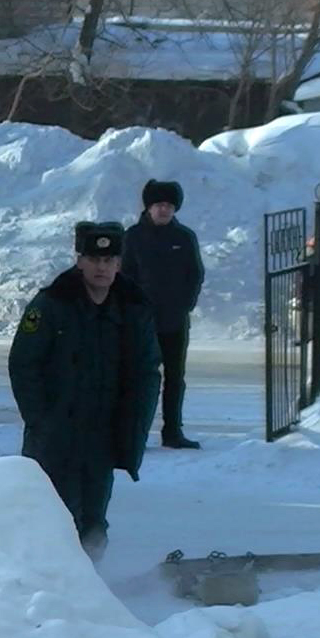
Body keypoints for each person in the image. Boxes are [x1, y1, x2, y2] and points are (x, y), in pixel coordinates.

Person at [8, 221, 162, 557]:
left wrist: (136, 422)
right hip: (56, 434)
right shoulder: (51, 304)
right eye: (93, 259)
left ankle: (90, 586)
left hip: (103, 435)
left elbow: (148, 371)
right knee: (54, 517)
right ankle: (50, 587)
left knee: (94, 522)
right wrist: (40, 420)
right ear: (79, 261)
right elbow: (23, 363)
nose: (101, 267)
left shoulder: (133, 308)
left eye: (109, 260)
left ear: (119, 264)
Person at [122, 179, 206, 449]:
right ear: (149, 207)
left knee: (174, 378)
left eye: (169, 206)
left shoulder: (184, 238)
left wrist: (186, 304)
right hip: (142, 322)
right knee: (140, 378)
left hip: (175, 320)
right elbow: (124, 276)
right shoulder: (133, 237)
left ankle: (173, 432)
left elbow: (195, 274)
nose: (164, 210)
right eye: (159, 205)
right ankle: (134, 432)